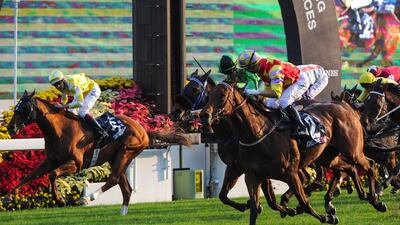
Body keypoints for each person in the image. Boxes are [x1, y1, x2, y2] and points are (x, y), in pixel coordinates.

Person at [237, 49, 329, 129]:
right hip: (288, 82)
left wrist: (256, 92)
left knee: (284, 102)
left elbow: (276, 93)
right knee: (270, 103)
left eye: (246, 69)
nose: (246, 71)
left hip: (300, 80)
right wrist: (259, 97)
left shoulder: (273, 70)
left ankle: (301, 126)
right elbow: (268, 90)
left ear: (252, 66)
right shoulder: (261, 68)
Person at [48, 70, 108, 139]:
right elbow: (64, 94)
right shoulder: (62, 84)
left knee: (82, 112)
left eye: (58, 83)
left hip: (93, 90)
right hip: (83, 92)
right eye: (55, 85)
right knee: (71, 112)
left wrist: (62, 106)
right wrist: (62, 104)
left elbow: (79, 103)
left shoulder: (73, 83)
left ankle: (101, 132)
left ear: (63, 80)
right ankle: (79, 132)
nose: (58, 86)